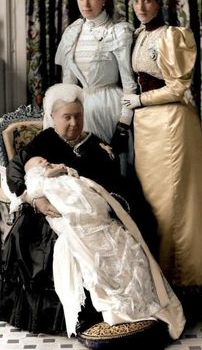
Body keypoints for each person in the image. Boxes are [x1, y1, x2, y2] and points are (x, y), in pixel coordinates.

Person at [1, 84, 185, 345]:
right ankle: (83, 314)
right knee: (60, 243)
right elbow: (16, 172)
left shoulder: (96, 144)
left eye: (78, 116)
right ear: (53, 118)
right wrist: (36, 198)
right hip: (50, 213)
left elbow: (112, 184)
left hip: (94, 213)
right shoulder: (43, 141)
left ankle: (124, 306)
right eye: (67, 117)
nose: (74, 123)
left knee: (121, 239)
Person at [121, 0, 202, 299]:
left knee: (173, 202)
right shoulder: (138, 34)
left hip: (171, 125)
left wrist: (140, 102)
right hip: (146, 128)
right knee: (152, 201)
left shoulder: (173, 36)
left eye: (148, 0)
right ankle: (157, 272)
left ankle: (182, 275)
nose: (141, 7)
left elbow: (177, 87)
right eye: (136, 0)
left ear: (160, 1)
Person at [8, 154, 185, 341]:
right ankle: (117, 307)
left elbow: (80, 180)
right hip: (71, 215)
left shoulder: (76, 158)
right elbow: (31, 186)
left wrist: (66, 172)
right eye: (39, 162)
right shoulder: (39, 177)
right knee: (94, 255)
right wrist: (45, 183)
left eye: (44, 160)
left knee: (122, 245)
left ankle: (141, 299)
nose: (44, 162)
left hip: (92, 211)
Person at [55, 0, 138, 175]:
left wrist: (124, 124)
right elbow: (68, 86)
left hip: (110, 108)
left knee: (110, 172)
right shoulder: (72, 32)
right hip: (80, 111)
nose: (86, 4)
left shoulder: (118, 32)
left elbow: (129, 84)